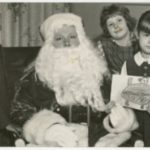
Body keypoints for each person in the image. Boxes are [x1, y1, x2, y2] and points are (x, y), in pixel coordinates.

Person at [9, 13, 109, 147]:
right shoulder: (35, 76)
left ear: (81, 40)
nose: (67, 43)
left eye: (72, 37)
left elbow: (110, 108)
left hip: (92, 139)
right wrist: (50, 127)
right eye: (59, 38)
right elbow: (19, 111)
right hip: (53, 140)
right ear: (50, 44)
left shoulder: (97, 71)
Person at [121, 10, 150, 147]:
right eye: (146, 35)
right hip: (134, 123)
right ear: (137, 35)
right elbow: (121, 95)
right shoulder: (129, 64)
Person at [96, 4, 138, 74]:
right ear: (107, 30)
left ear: (127, 21)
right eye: (111, 24)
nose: (116, 26)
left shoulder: (140, 41)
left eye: (119, 20)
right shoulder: (104, 46)